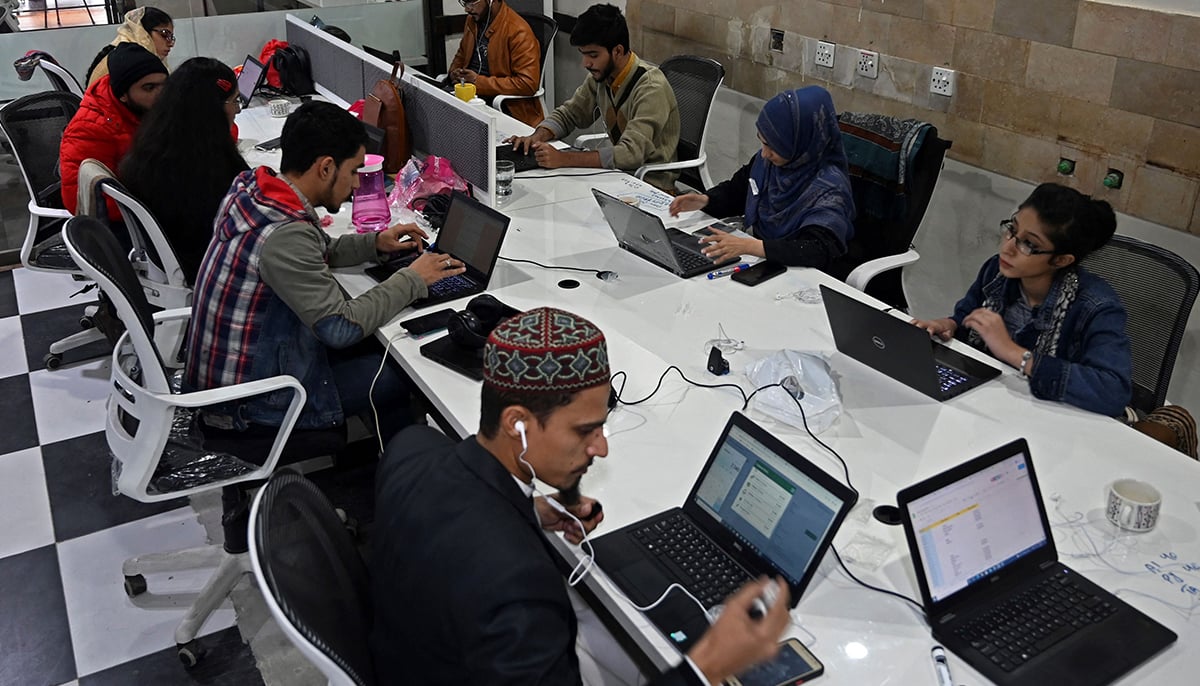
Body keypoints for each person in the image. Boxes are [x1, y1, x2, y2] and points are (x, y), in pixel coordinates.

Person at [372, 306, 791, 684]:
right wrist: (708, 666)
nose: (601, 448)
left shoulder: (412, 448)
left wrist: (528, 510)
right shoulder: (516, 586)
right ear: (517, 423)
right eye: (583, 430)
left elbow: (454, 517)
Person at [184, 102, 467, 442]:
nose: (356, 186)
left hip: (236, 379)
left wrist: (374, 244)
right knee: (405, 374)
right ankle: (402, 476)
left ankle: (393, 463)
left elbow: (314, 251)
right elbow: (340, 327)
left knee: (383, 351)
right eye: (353, 172)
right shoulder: (286, 235)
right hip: (251, 407)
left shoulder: (255, 190)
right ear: (326, 167)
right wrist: (413, 279)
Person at [911, 183, 1132, 416]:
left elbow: (1113, 392)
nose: (1007, 248)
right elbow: (966, 320)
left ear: (1061, 260)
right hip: (988, 405)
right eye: (1012, 230)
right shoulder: (996, 272)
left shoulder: (1096, 307)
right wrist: (948, 326)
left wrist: (1014, 353)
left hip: (1052, 422)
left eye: (1029, 244)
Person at [668, 87, 855, 270]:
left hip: (804, 275)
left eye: (773, 146)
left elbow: (817, 250)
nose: (764, 154)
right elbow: (738, 191)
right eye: (762, 142)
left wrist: (750, 246)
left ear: (799, 143)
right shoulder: (771, 164)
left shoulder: (830, 190)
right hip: (763, 261)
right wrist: (704, 200)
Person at [507, 3, 681, 191]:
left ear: (618, 51)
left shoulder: (651, 87)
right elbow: (570, 114)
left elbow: (631, 154)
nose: (586, 63)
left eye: (593, 55)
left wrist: (563, 159)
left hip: (650, 187)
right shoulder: (603, 77)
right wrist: (537, 136)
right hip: (617, 176)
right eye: (583, 54)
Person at [121, 57, 249, 283]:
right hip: (207, 267)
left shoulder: (152, 144)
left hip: (170, 258)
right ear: (213, 110)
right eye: (234, 101)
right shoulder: (207, 167)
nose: (237, 111)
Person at [60, 43, 168, 217]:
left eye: (165, 85)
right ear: (123, 94)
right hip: (128, 226)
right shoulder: (89, 128)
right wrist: (159, 205)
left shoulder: (149, 109)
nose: (161, 94)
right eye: (149, 88)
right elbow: (78, 198)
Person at [448, 0, 544, 127]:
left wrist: (478, 81)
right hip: (470, 97)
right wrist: (454, 73)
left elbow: (527, 84)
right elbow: (461, 55)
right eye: (464, 2)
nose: (467, 9)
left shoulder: (518, 31)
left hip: (502, 106)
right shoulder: (472, 21)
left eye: (471, 2)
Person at [85, 7, 173, 88]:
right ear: (143, 32)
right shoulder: (127, 60)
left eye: (171, 37)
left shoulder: (126, 54)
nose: (171, 43)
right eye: (164, 34)